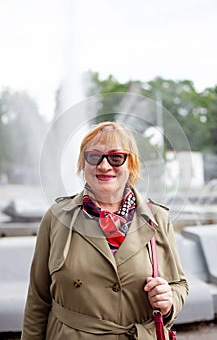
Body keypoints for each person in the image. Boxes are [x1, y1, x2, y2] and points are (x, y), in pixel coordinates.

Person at [21, 121, 188, 340]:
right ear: (83, 163)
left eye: (116, 157)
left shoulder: (157, 217)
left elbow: (179, 284)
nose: (104, 166)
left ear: (131, 164)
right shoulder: (57, 218)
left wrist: (170, 300)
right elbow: (38, 298)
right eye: (94, 156)